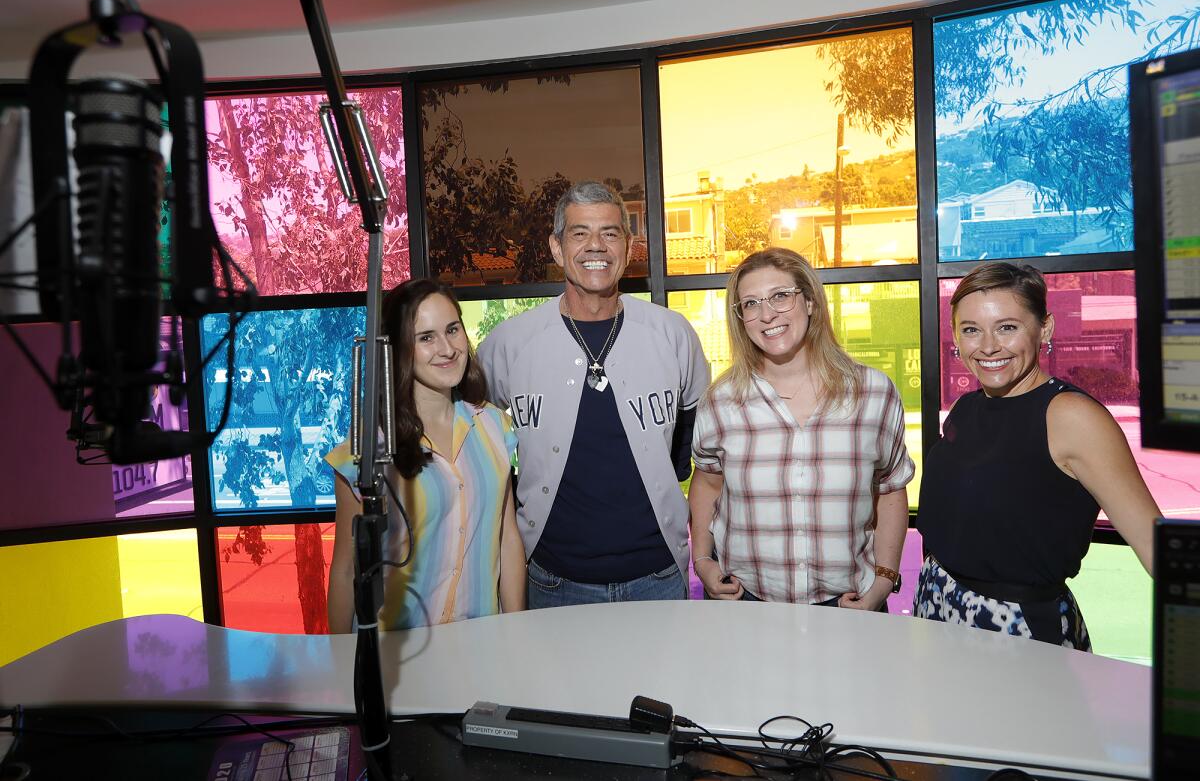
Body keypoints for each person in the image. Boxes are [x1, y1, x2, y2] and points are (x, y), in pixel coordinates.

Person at [477, 180, 710, 608]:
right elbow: (474, 444)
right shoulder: (510, 343)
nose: (595, 246)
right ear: (556, 247)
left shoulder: (672, 334)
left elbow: (691, 449)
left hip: (657, 578)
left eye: (610, 233)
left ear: (629, 244)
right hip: (552, 581)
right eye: (579, 233)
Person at [915, 262, 1161, 649]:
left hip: (1018, 628)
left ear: (1044, 328)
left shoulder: (1071, 416)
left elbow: (1154, 542)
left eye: (1007, 327)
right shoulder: (967, 407)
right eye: (971, 330)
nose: (988, 345)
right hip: (937, 604)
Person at [689, 248, 913, 610]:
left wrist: (884, 581)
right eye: (750, 304)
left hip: (849, 605)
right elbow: (708, 482)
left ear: (809, 301)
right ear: (741, 318)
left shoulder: (873, 393)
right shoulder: (722, 401)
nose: (766, 315)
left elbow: (889, 490)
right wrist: (702, 559)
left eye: (780, 296)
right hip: (748, 604)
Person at [326, 278, 525, 632]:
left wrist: (515, 634)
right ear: (399, 349)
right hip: (398, 658)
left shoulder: (495, 426)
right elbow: (345, 570)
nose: (447, 349)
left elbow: (507, 540)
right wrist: (342, 664)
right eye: (426, 337)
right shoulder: (369, 452)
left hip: (480, 649)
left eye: (452, 330)